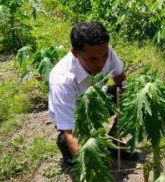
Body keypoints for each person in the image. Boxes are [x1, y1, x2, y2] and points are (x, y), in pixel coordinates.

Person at [48, 21, 133, 164]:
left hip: (96, 101)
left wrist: (127, 107)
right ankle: (66, 147)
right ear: (75, 53)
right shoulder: (62, 80)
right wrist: (91, 164)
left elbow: (121, 80)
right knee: (77, 149)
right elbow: (70, 129)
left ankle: (114, 141)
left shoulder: (105, 52)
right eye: (93, 59)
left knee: (126, 93)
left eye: (104, 56)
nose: (100, 63)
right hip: (73, 115)